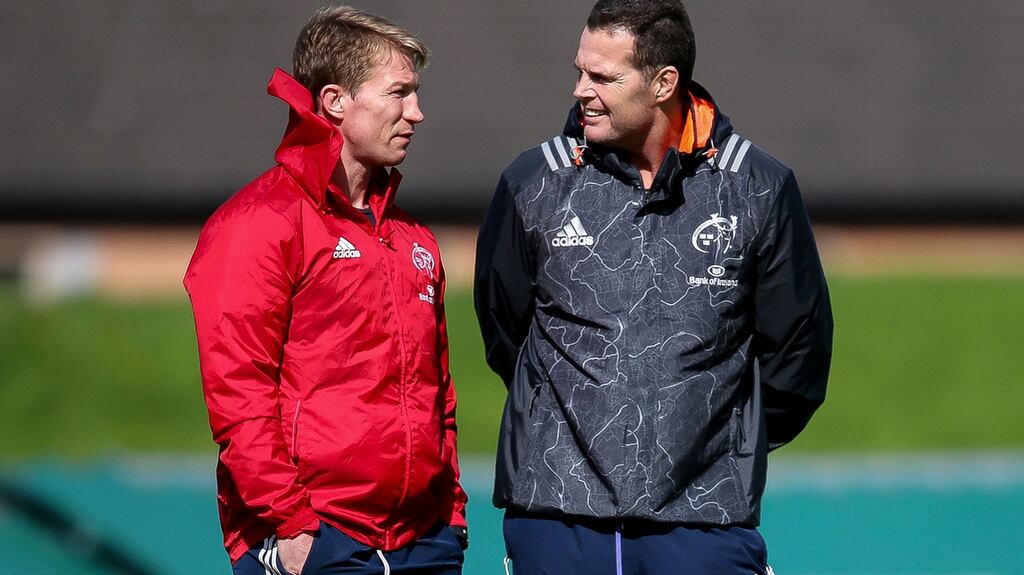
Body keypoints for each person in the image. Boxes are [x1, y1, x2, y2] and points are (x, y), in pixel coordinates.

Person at [474, 0, 833, 573]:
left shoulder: (759, 187)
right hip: (554, 516)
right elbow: (505, 332)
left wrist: (720, 441)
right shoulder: (532, 181)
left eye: (603, 77)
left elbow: (798, 352)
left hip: (705, 519)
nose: (581, 90)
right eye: (580, 71)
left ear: (663, 83)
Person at [184, 6, 467, 575]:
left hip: (423, 541)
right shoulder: (259, 222)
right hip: (316, 536)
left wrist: (451, 515)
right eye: (399, 93)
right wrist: (291, 524)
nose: (417, 112)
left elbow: (439, 394)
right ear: (335, 101)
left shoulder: (413, 238)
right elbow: (239, 393)